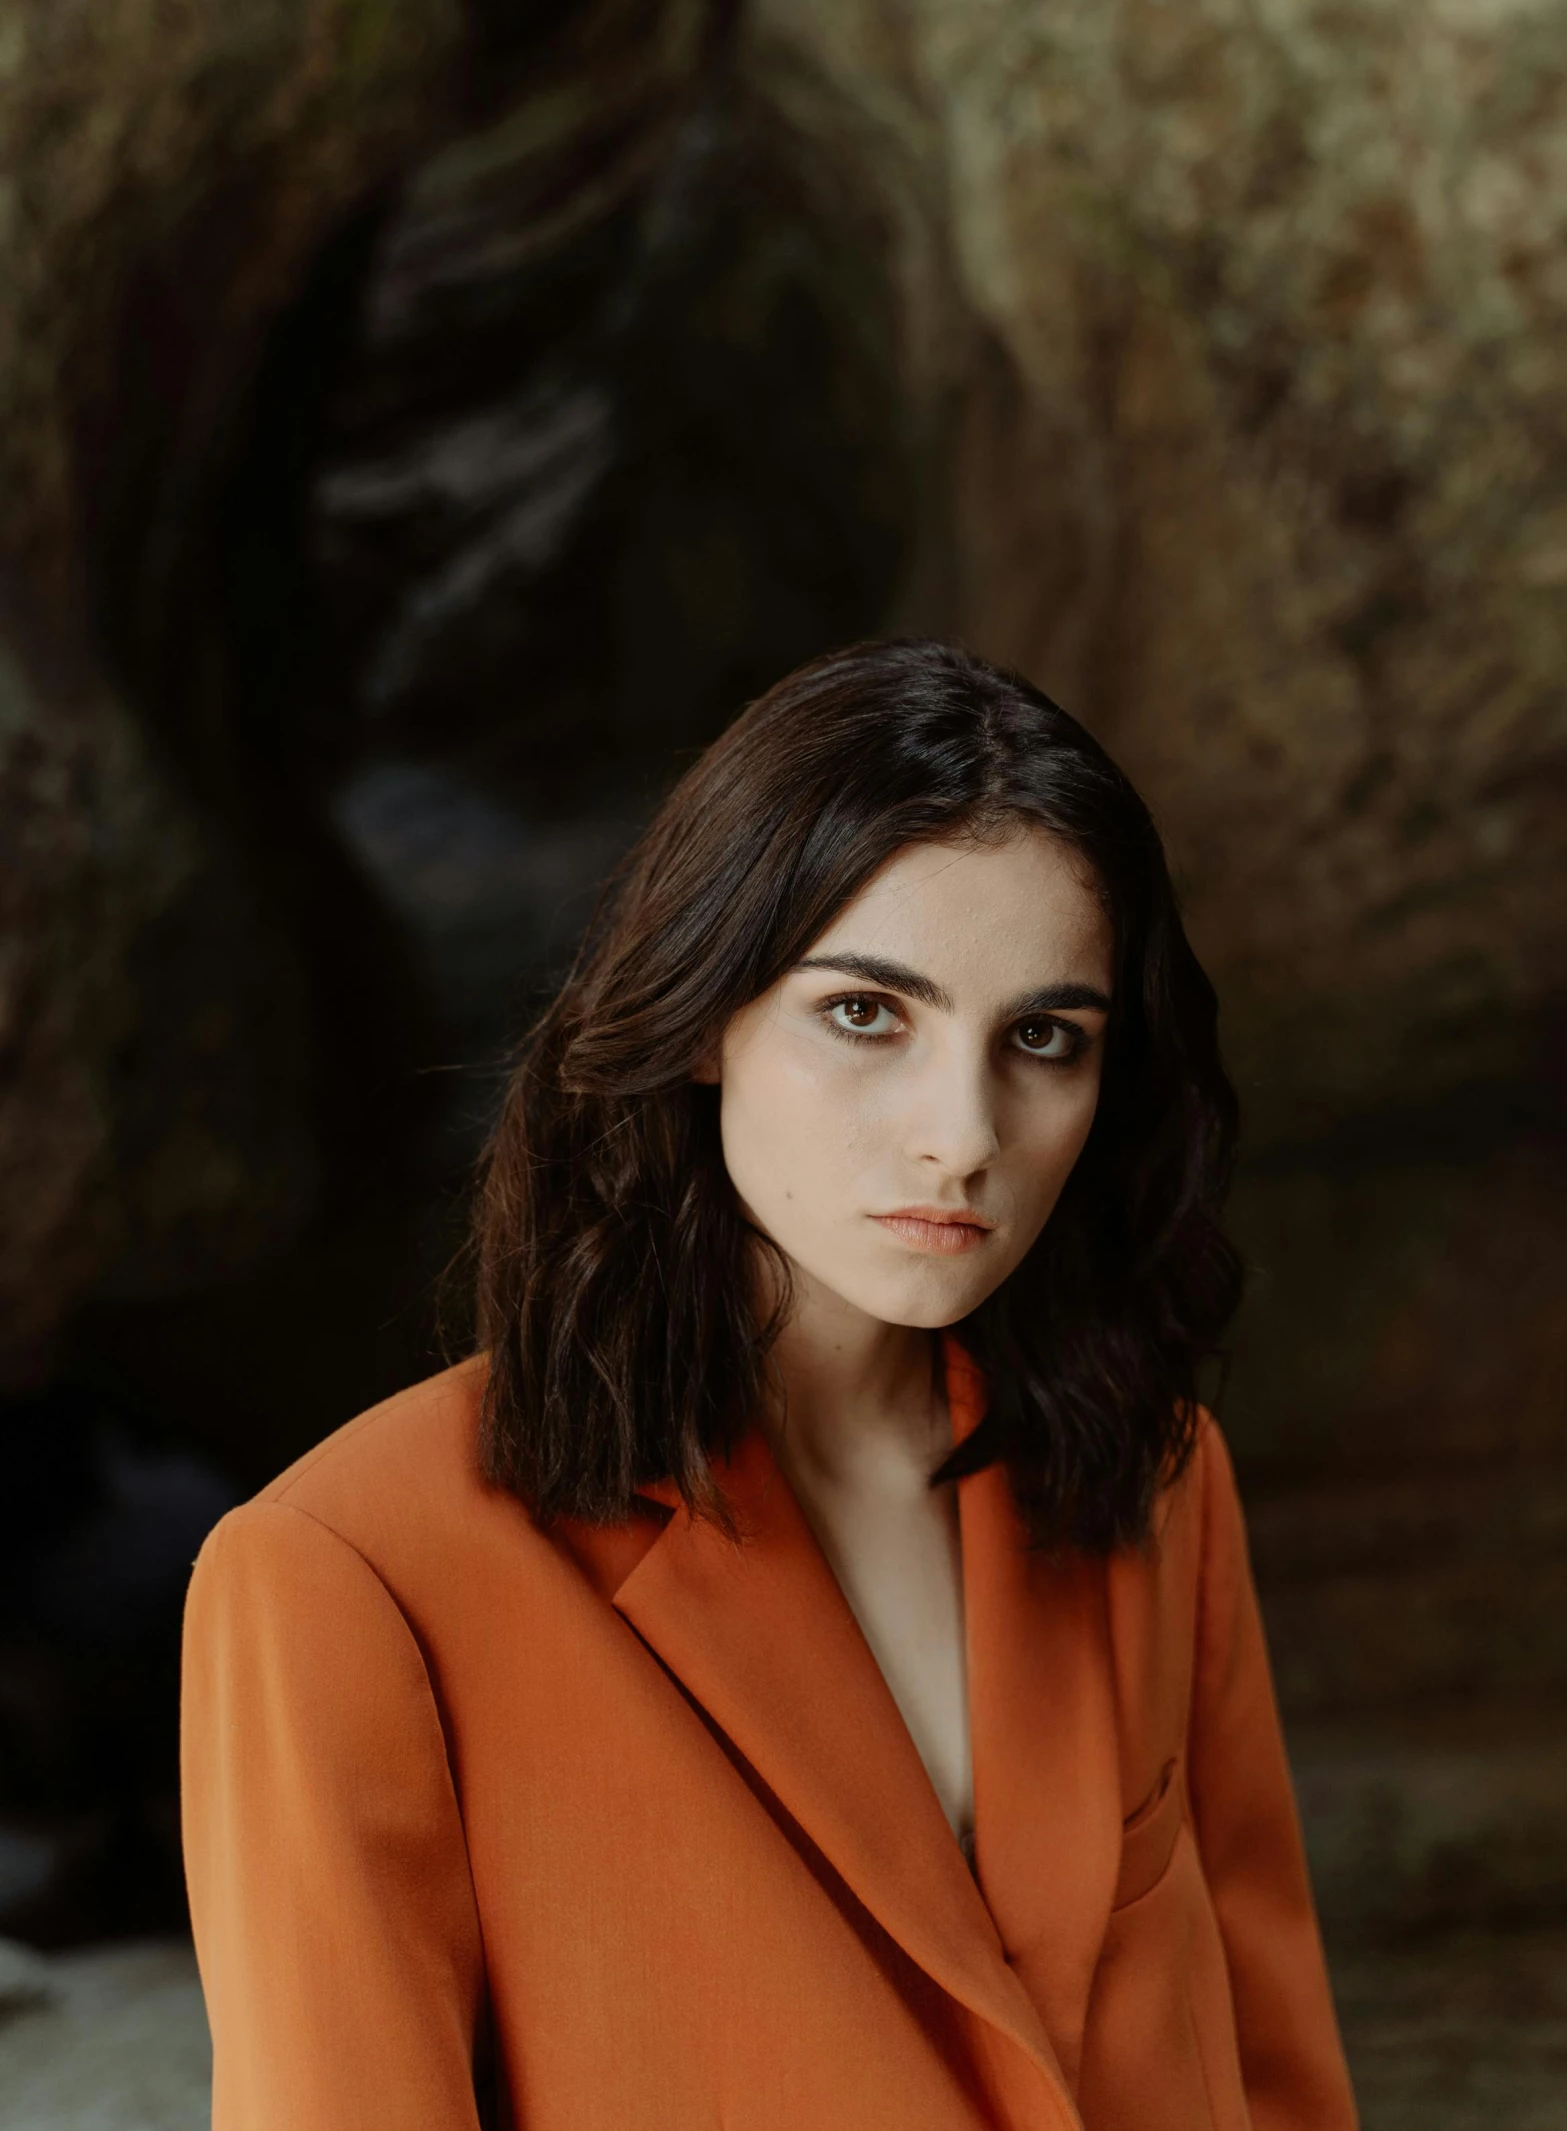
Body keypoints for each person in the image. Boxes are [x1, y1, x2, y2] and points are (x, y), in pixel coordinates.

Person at [181, 640, 1358, 2131]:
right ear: (701, 1016)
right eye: (867, 1013)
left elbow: (1276, 2075)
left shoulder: (1156, 1476)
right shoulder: (347, 1577)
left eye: (1042, 1038)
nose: (961, 1133)